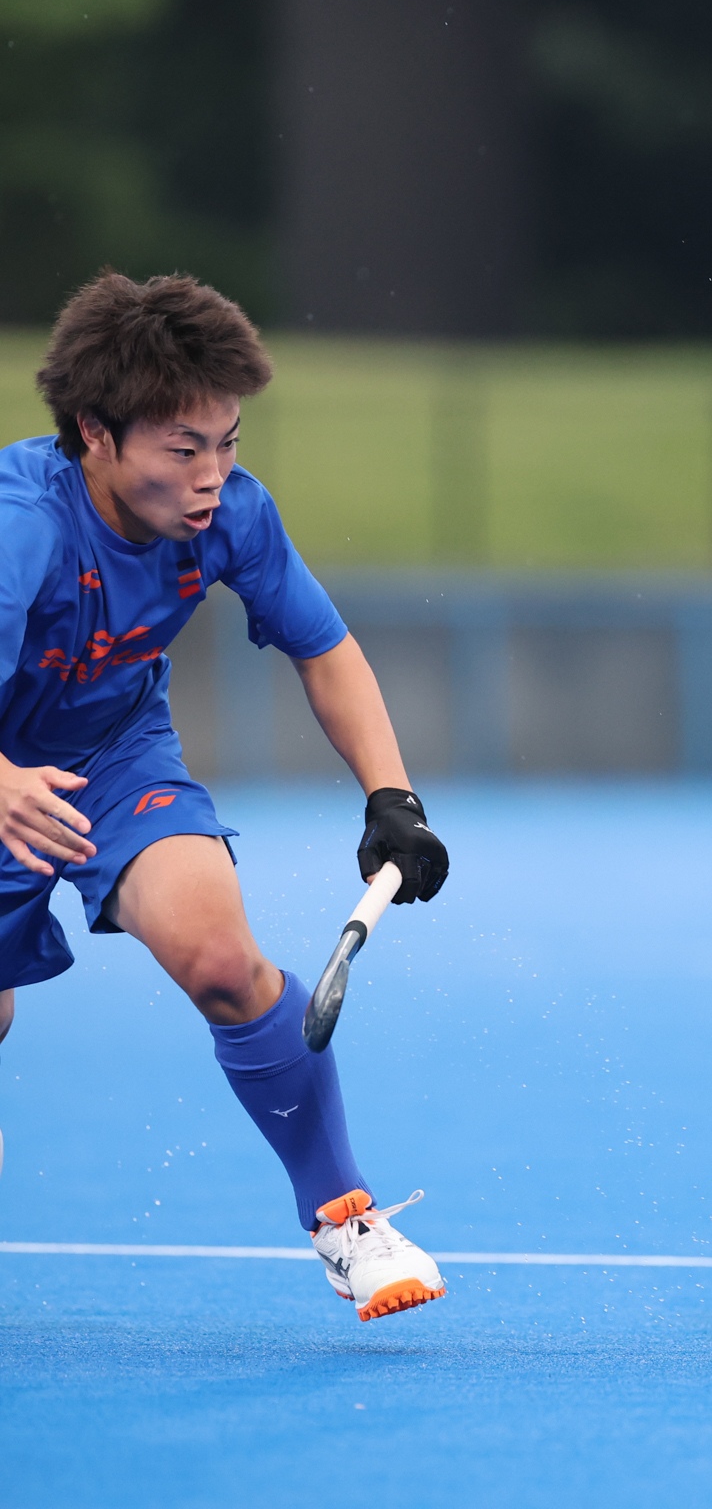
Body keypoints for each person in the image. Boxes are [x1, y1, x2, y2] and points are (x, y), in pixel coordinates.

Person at [0, 272, 451, 1321]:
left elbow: (324, 649)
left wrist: (392, 796)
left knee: (220, 956)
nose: (212, 476)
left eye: (228, 443)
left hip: (115, 758)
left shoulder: (232, 514)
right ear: (94, 434)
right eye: (183, 449)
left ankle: (344, 1219)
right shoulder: (21, 529)